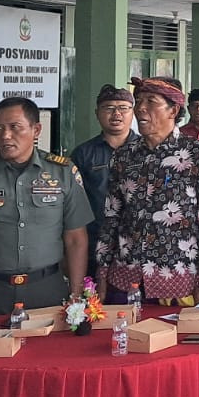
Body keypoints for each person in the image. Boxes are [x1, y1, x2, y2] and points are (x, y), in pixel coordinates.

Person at [0, 96, 93, 323]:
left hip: (46, 290)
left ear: (36, 129)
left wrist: (77, 296)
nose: (5, 136)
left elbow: (76, 240)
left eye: (15, 127)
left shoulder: (63, 174)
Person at [99, 77, 199, 304]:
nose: (140, 108)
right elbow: (111, 217)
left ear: (174, 110)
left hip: (179, 285)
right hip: (124, 281)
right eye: (138, 101)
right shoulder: (124, 156)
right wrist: (101, 275)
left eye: (151, 101)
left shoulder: (198, 155)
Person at [70, 84, 134, 268]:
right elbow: (72, 204)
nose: (116, 114)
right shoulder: (83, 154)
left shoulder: (147, 150)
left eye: (123, 108)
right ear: (97, 113)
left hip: (136, 249)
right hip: (94, 246)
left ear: (133, 112)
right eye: (109, 108)